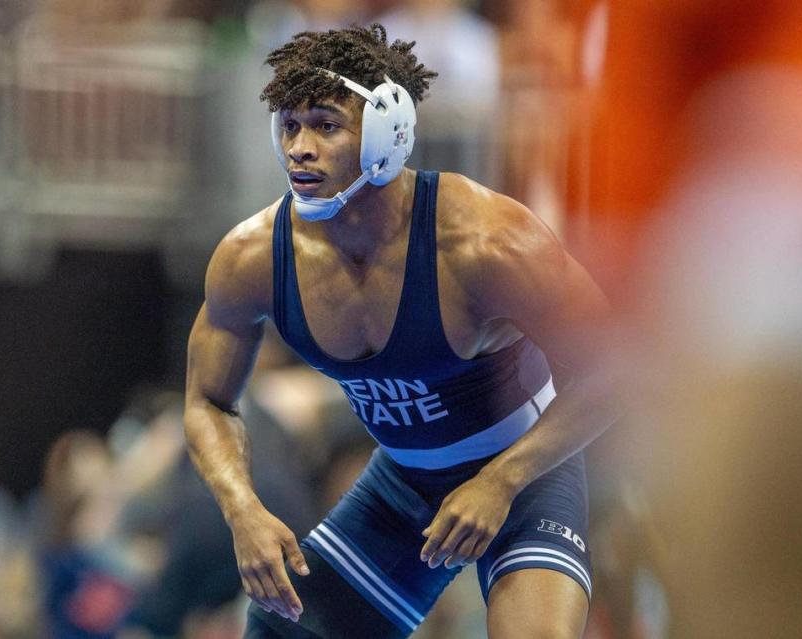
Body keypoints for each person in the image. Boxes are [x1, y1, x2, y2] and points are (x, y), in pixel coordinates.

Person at [184, 24, 617, 639]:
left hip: (528, 476)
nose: (300, 148)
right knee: (281, 629)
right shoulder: (254, 257)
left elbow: (618, 367)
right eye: (290, 126)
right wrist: (241, 508)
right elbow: (206, 400)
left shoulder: (484, 242)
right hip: (405, 484)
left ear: (389, 133)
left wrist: (501, 479)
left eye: (326, 125)